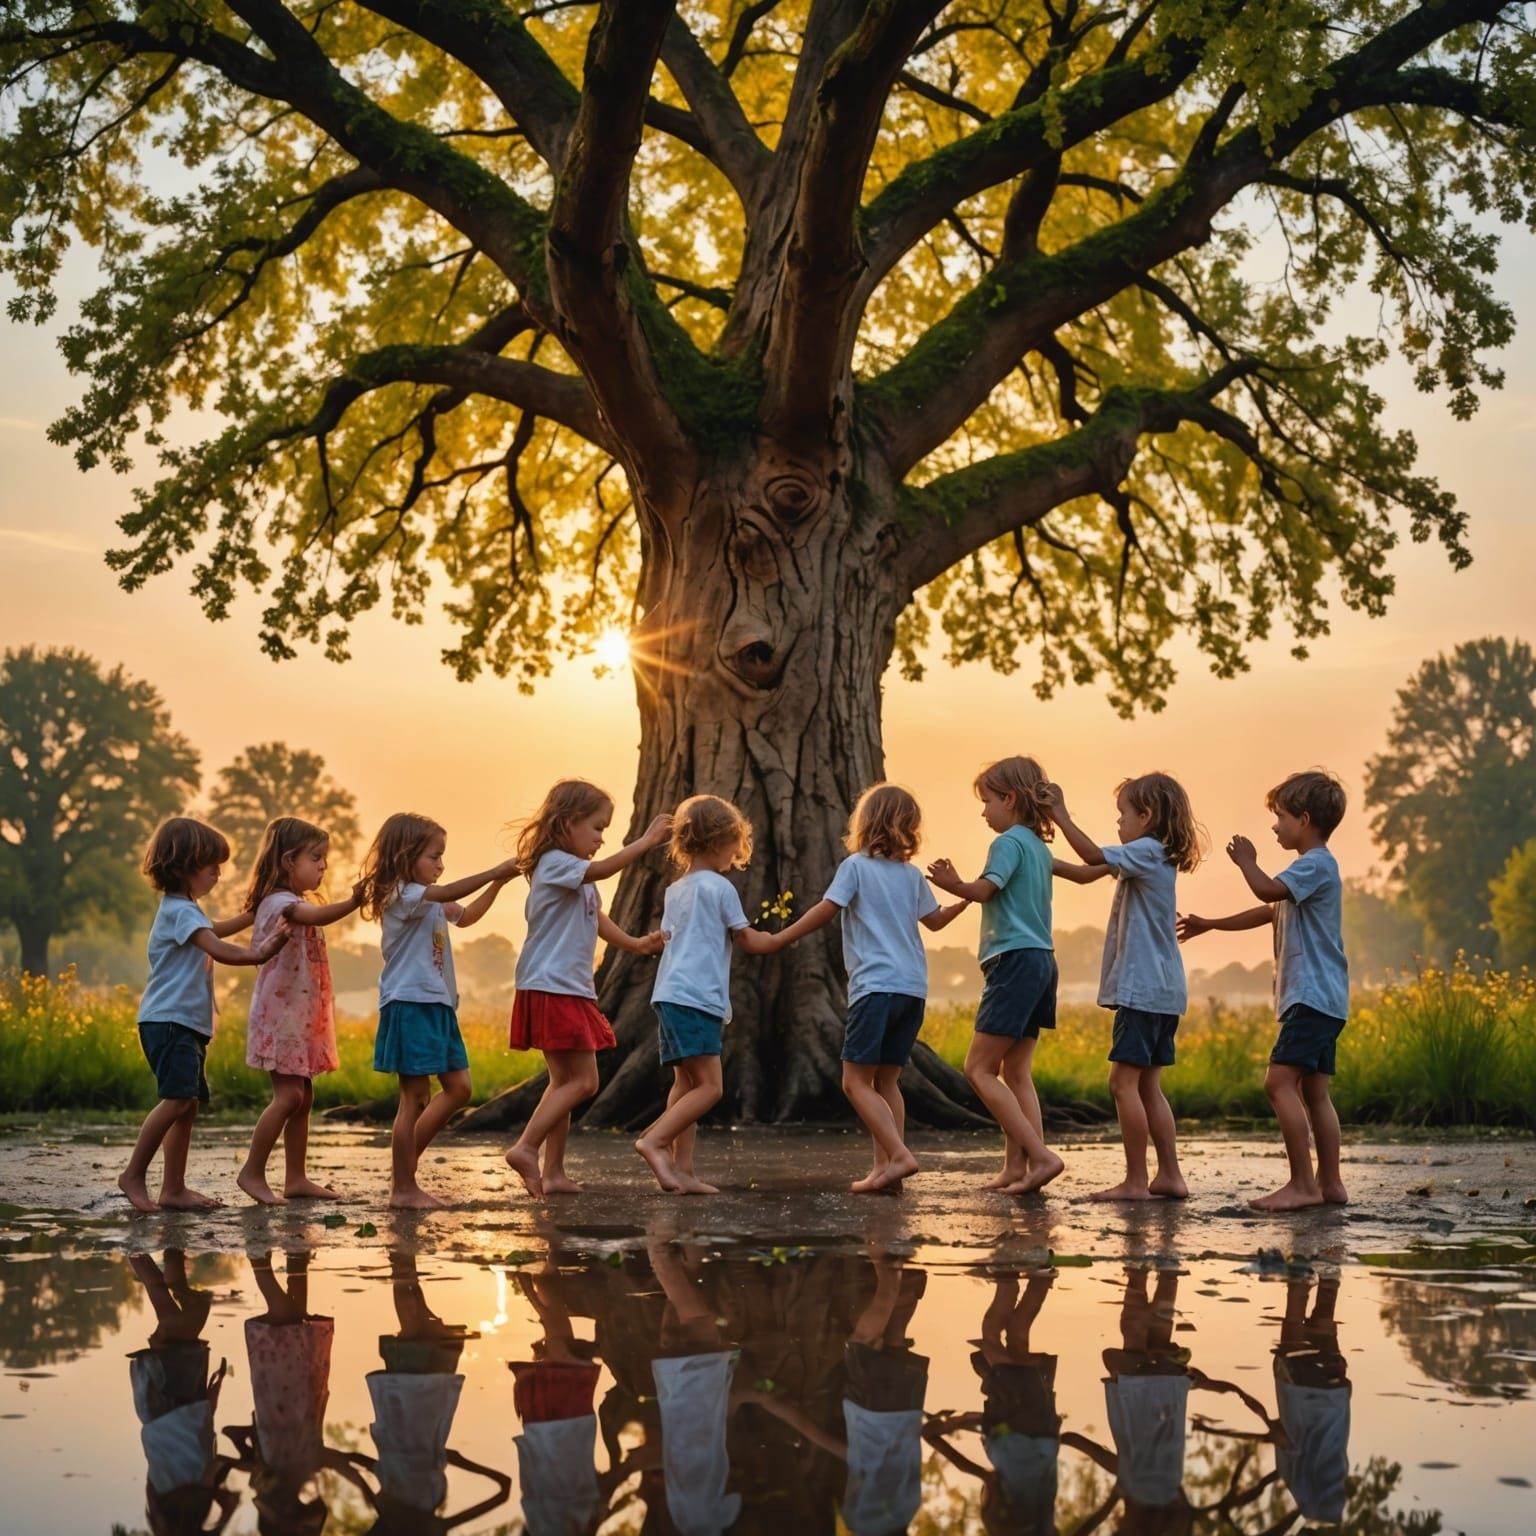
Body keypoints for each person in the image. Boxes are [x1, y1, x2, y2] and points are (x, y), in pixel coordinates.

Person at [772, 782, 968, 1191]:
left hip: (875, 988)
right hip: (912, 988)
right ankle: (886, 1170)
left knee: (855, 1082)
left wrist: (781, 938)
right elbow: (935, 920)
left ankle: (897, 1155)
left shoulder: (856, 867)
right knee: (887, 1082)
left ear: (865, 824)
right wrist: (968, 896)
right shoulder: (911, 876)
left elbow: (827, 910)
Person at [1178, 770, 1350, 1210]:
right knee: (1314, 1092)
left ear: (1305, 819)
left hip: (1311, 997)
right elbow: (1269, 909)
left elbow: (1266, 887)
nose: (1275, 826)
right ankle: (1329, 1185)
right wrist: (1210, 924)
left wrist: (1246, 861)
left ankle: (1303, 1185)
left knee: (1278, 1084)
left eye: (1281, 817)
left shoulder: (1313, 864)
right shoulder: (1311, 872)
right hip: (1325, 999)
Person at [928, 757, 1097, 1194]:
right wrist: (1121, 861)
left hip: (1013, 962)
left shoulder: (1007, 844)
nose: (983, 811)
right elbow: (1086, 873)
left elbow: (985, 890)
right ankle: (1018, 1168)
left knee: (978, 1068)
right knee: (1016, 1072)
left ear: (1010, 799)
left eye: (986, 801)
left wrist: (952, 883)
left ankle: (1040, 1157)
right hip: (1043, 962)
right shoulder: (1039, 848)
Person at [504, 779, 669, 1198]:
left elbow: (598, 917)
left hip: (565, 985)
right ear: (567, 823)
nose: (599, 839)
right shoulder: (556, 862)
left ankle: (555, 1172)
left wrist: (633, 942)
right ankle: (525, 1147)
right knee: (585, 1083)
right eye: (596, 828)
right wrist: (646, 842)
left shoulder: (575, 875)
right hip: (553, 984)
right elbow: (600, 869)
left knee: (564, 1083)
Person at [119, 817, 290, 1213]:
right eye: (210, 864)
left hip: (182, 1023)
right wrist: (260, 952)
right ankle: (133, 1175)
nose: (217, 872)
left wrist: (254, 913)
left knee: (187, 1104)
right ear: (182, 866)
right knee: (176, 1101)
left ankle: (174, 1189)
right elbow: (219, 947)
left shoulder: (186, 909)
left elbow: (216, 928)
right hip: (170, 1021)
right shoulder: (180, 912)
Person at [1045, 775, 1200, 1201]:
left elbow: (1092, 854)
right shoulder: (1153, 857)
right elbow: (1082, 872)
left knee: (1122, 1084)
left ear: (1146, 816)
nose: (1118, 824)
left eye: (1123, 816)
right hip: (1164, 991)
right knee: (1149, 1086)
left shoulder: (1147, 851)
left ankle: (1135, 1180)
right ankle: (1169, 1175)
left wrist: (1060, 815)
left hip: (1143, 989)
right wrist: (1040, 860)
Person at [356, 812, 519, 1208]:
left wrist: (499, 882)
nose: (440, 865)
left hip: (438, 1004)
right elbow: (445, 893)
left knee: (459, 1088)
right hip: (410, 1002)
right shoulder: (401, 894)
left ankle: (404, 1170)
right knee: (413, 1099)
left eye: (442, 856)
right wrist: (493, 868)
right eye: (434, 856)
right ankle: (404, 1187)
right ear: (405, 855)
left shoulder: (427, 899)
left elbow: (467, 917)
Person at [635, 795, 780, 1194]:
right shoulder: (720, 888)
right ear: (720, 841)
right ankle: (654, 1141)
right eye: (734, 843)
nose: (736, 853)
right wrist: (779, 937)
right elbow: (747, 939)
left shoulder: (676, 890)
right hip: (696, 997)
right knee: (710, 1087)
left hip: (669, 994)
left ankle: (683, 1172)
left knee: (685, 1086)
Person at [237, 816, 360, 1204]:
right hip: (282, 1015)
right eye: (316, 858)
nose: (323, 866)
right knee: (288, 1097)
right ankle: (252, 1172)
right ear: (289, 860)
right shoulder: (281, 903)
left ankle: (296, 1178)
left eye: (325, 859)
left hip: (300, 1014)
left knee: (303, 1096)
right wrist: (355, 900)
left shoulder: (294, 900)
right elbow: (317, 916)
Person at [925, 1265, 1061, 1536]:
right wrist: (960, 1423)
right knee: (990, 1340)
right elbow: (990, 1477)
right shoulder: (1003, 1525)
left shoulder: (1042, 1522)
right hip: (1012, 1436)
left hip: (1043, 1434)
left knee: (1018, 1340)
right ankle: (1006, 1281)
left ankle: (1041, 1278)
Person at [125, 1249, 237, 1536]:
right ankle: (172, 1245)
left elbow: (211, 1454)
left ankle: (132, 1244)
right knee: (190, 1308)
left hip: (175, 1398)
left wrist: (229, 1502)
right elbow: (201, 1438)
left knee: (184, 1311)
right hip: (164, 1403)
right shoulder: (161, 1499)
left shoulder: (198, 1491)